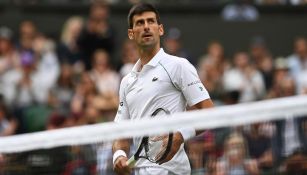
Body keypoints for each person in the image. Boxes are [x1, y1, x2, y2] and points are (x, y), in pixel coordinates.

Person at [112, 3, 214, 175]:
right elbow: (121, 132)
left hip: (171, 170)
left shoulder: (178, 66)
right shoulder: (126, 81)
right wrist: (119, 155)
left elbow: (210, 112)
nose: (146, 27)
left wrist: (180, 134)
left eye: (151, 21)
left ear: (160, 29)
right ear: (131, 33)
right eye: (140, 23)